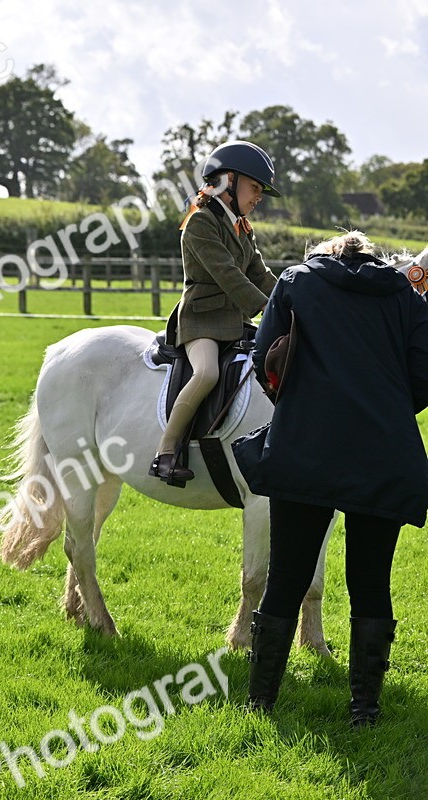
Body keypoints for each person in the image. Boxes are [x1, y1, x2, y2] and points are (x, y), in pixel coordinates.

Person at [234, 231, 428, 726]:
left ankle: (261, 704)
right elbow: (424, 373)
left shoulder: (297, 282)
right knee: (371, 583)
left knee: (286, 578)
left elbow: (265, 357)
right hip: (385, 454)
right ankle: (364, 710)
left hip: (306, 448)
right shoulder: (406, 294)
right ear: (373, 257)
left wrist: (300, 409)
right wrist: (385, 412)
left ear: (326, 253)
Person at [150, 140, 280, 484]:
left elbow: (260, 275)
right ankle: (165, 452)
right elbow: (228, 275)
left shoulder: (241, 228)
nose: (259, 198)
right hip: (201, 321)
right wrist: (267, 308)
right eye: (255, 188)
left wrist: (291, 298)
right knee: (206, 373)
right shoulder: (200, 223)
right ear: (228, 181)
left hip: (237, 323)